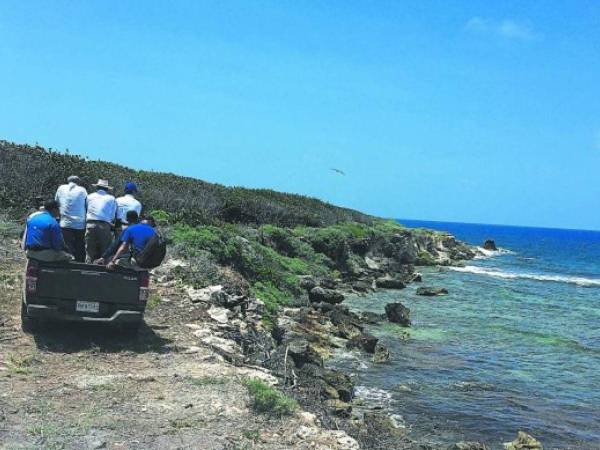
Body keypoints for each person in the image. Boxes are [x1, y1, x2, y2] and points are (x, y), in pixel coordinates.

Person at [55, 175, 87, 262]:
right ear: (78, 182)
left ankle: (68, 263)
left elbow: (57, 202)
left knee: (67, 245)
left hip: (64, 222)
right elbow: (86, 205)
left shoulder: (61, 188)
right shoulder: (82, 190)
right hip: (79, 224)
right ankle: (79, 263)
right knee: (79, 245)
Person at [85, 179, 117, 263]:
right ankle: (104, 269)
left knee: (89, 249)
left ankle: (88, 266)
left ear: (97, 187)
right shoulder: (111, 198)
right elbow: (113, 215)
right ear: (107, 189)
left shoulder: (89, 196)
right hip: (105, 225)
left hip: (90, 223)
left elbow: (86, 208)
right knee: (105, 249)